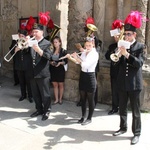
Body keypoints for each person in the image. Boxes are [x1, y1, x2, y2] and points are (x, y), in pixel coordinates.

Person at [112, 11, 145, 145]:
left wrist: (126, 55)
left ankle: (136, 133)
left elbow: (138, 63)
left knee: (135, 111)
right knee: (122, 107)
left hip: (134, 84)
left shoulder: (140, 47)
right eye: (125, 34)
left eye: (129, 34)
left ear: (134, 35)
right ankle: (122, 127)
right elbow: (115, 63)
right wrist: (118, 55)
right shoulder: (121, 45)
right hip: (122, 82)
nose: (126, 36)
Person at [68, 38, 99, 125]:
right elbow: (78, 63)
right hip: (83, 75)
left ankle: (89, 118)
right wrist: (71, 57)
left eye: (89, 45)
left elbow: (85, 65)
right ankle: (83, 116)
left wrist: (77, 58)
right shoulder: (84, 52)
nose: (88, 47)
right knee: (83, 98)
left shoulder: (95, 54)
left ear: (93, 45)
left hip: (90, 76)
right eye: (86, 45)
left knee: (90, 99)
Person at [76, 17, 101, 107]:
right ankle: (82, 100)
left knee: (93, 85)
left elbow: (95, 51)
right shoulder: (85, 40)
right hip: (84, 64)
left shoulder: (96, 40)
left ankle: (93, 101)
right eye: (87, 31)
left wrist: (82, 49)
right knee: (83, 85)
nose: (87, 33)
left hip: (92, 65)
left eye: (89, 31)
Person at [30, 23, 52, 121]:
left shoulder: (47, 43)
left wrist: (38, 50)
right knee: (35, 94)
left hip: (43, 73)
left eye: (36, 31)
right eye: (33, 31)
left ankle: (47, 110)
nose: (34, 33)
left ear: (42, 32)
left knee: (45, 94)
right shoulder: (31, 41)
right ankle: (39, 109)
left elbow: (48, 57)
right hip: (32, 72)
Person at [105, 20, 124, 115]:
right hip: (114, 72)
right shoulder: (112, 46)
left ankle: (122, 107)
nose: (116, 37)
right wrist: (114, 52)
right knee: (114, 90)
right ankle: (114, 107)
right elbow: (107, 56)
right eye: (115, 36)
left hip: (123, 72)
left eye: (117, 35)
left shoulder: (125, 46)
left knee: (122, 91)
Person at [10, 29, 34, 103]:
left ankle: (30, 96)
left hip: (27, 66)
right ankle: (23, 95)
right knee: (21, 81)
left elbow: (32, 53)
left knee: (29, 82)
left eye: (22, 36)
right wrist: (15, 50)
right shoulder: (15, 42)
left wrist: (27, 44)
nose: (20, 37)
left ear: (25, 36)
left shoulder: (29, 42)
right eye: (19, 35)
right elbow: (10, 51)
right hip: (19, 65)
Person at [50, 36, 68, 105]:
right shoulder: (52, 50)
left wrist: (60, 63)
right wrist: (51, 62)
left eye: (56, 42)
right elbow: (49, 59)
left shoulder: (63, 51)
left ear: (60, 43)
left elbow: (66, 61)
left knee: (61, 84)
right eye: (54, 42)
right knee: (55, 84)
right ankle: (56, 99)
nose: (55, 43)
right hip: (53, 69)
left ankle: (60, 99)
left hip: (60, 69)